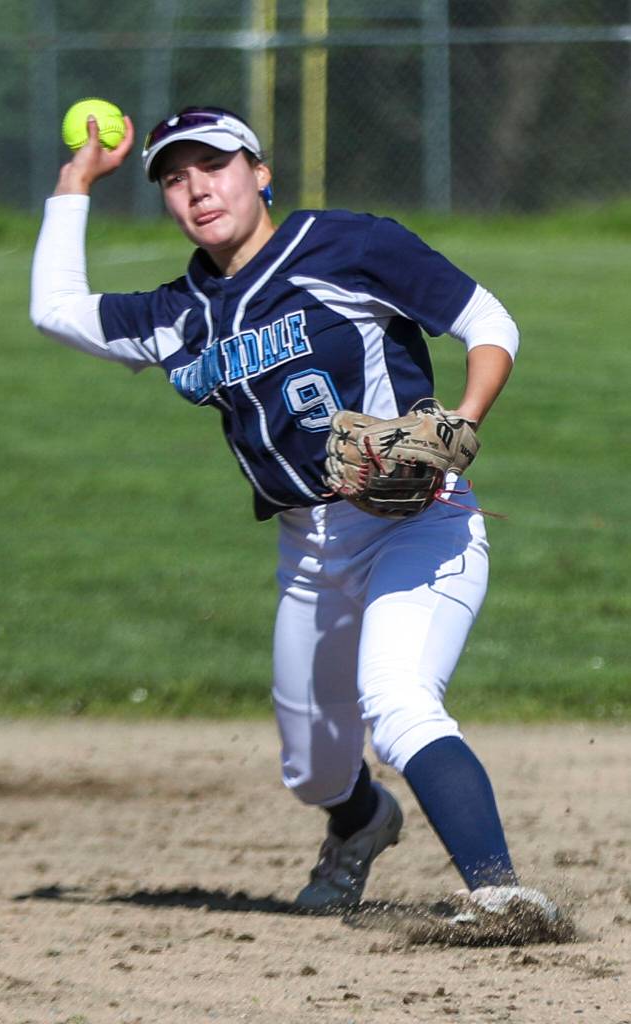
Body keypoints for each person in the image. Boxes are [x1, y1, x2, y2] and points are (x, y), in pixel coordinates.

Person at [30, 105, 560, 927]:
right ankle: (361, 822)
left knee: (398, 699)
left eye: (215, 165)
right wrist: (74, 183)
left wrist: (463, 417)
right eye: (175, 177)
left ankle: (500, 895)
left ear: (260, 172)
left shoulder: (346, 246)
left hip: (417, 523)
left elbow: (488, 321)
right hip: (308, 554)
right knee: (312, 770)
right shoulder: (182, 314)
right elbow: (55, 309)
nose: (197, 188)